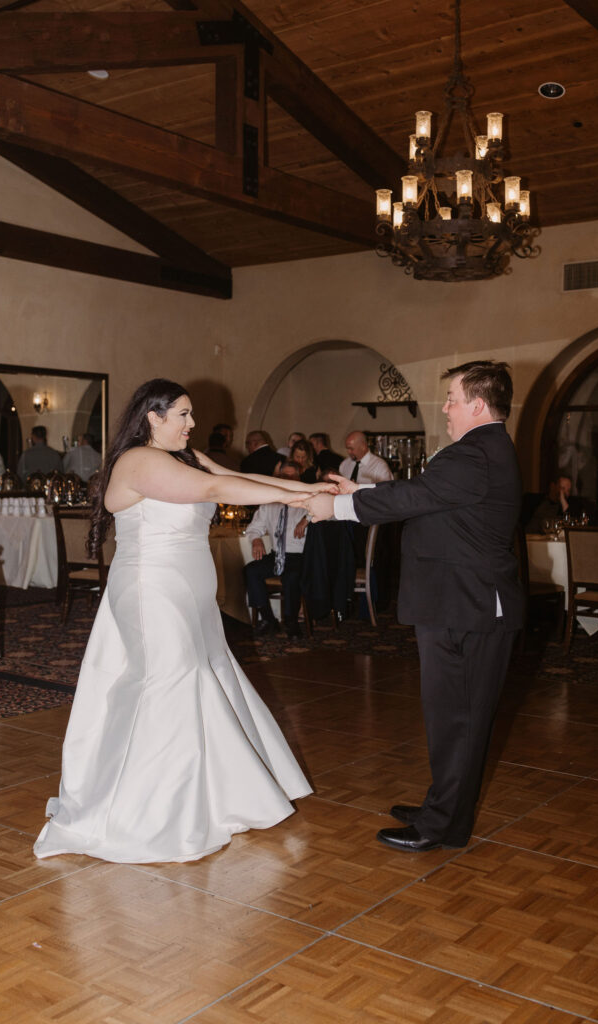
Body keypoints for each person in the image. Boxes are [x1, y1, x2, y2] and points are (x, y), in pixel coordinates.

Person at [33, 378, 331, 864]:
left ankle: (210, 798)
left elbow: (230, 475)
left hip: (187, 589)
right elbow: (214, 488)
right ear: (154, 416)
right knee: (168, 684)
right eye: (184, 415)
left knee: (204, 676)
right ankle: (145, 812)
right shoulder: (138, 460)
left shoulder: (181, 458)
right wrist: (299, 499)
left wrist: (303, 488)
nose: (193, 424)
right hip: (153, 590)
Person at [300, 361, 524, 852]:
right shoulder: (482, 451)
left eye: (451, 398)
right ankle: (443, 810)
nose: (444, 407)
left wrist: (335, 508)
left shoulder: (475, 454)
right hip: (459, 603)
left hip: (466, 607)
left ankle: (441, 825)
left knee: (457, 722)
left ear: (478, 405)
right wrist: (359, 490)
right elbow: (427, 497)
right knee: (453, 719)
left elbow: (420, 494)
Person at [245, 461, 309, 637]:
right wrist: (256, 539)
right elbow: (254, 527)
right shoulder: (270, 501)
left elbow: (327, 513)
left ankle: (291, 621)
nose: (287, 480)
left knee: (292, 577)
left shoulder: (307, 500)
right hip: (276, 555)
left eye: (291, 476)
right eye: (284, 476)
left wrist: (307, 519)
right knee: (251, 570)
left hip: (299, 556)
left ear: (298, 478)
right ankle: (268, 618)